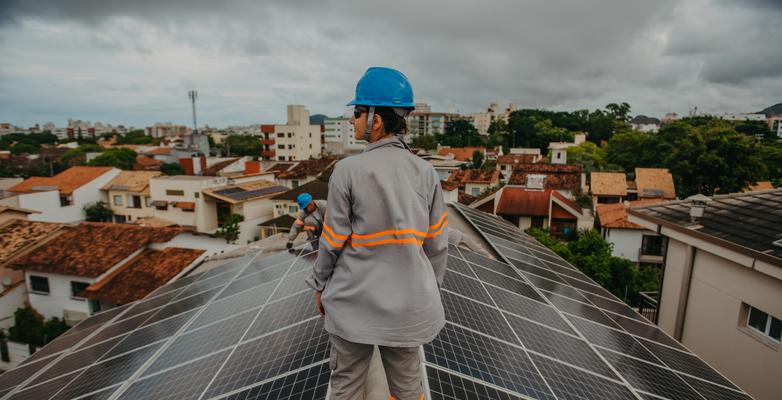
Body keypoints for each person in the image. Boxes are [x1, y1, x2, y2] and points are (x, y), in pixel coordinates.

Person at [307, 67, 448, 400]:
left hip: (352, 304)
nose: (353, 120)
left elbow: (331, 242)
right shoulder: (425, 172)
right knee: (408, 388)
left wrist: (319, 286)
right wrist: (424, 288)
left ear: (377, 119)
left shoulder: (348, 170)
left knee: (347, 386)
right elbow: (437, 245)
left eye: (357, 113)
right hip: (407, 308)